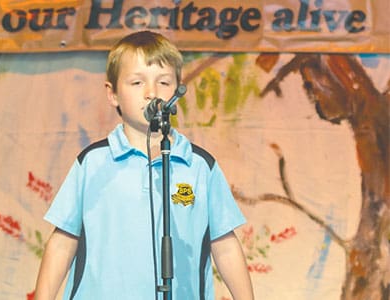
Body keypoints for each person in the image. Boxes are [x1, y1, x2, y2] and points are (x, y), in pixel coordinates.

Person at [34, 30, 254, 300]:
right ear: (112, 93)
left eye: (163, 82)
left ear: (177, 90)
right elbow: (63, 241)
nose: (152, 93)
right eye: (137, 83)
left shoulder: (199, 165)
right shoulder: (93, 163)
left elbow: (224, 245)